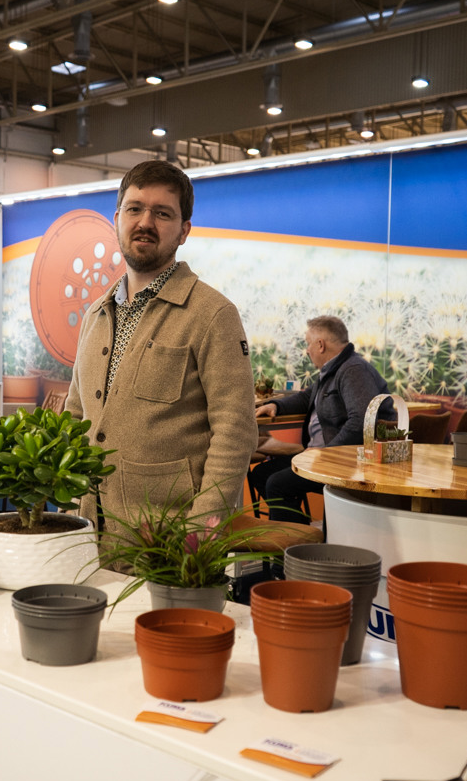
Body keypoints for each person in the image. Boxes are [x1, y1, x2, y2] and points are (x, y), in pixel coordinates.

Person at [65, 160, 257, 542]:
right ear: (117, 219)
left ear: (184, 230)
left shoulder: (212, 314)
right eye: (134, 209)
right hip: (88, 531)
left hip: (170, 541)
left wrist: (201, 531)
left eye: (162, 213)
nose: (145, 222)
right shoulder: (96, 315)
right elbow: (74, 414)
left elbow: (235, 431)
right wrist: (68, 506)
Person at [250, 315, 393, 523]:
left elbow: (361, 422)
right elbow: (306, 397)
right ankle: (300, 531)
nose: (307, 350)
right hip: (321, 455)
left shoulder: (353, 370)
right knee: (262, 475)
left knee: (277, 484)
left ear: (320, 345)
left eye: (308, 344)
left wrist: (324, 453)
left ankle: (294, 540)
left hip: (342, 461)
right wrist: (276, 406)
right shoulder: (333, 370)